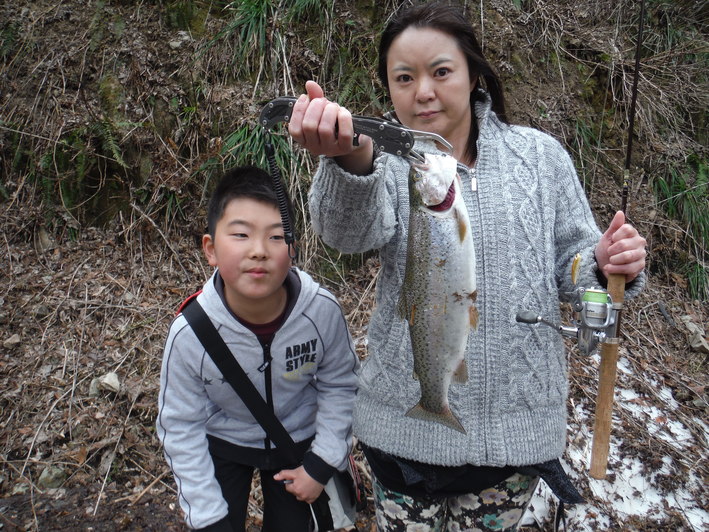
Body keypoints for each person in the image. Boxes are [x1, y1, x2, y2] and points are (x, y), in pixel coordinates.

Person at [286, 1, 647, 530]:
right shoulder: (385, 159)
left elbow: (573, 266)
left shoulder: (540, 159)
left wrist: (603, 262)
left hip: (514, 444)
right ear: (387, 87)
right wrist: (348, 161)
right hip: (403, 438)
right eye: (404, 77)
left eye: (441, 72)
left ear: (474, 73)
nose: (423, 92)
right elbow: (345, 234)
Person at [156, 165, 360, 531]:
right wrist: (205, 514)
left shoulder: (320, 311)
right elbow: (180, 424)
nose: (259, 251)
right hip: (224, 438)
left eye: (276, 237)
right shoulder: (190, 333)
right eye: (240, 235)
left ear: (293, 249)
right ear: (210, 249)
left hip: (297, 441)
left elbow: (341, 385)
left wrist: (321, 463)